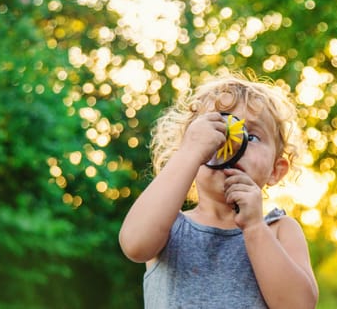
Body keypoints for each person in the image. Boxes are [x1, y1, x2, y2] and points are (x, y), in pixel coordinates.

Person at [119, 71, 319, 308]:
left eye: (251, 136)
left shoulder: (279, 230)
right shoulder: (168, 225)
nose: (231, 142)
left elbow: (299, 305)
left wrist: (255, 227)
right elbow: (134, 244)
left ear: (276, 170)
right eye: (218, 131)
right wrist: (190, 153)